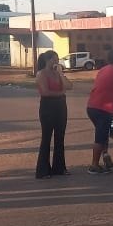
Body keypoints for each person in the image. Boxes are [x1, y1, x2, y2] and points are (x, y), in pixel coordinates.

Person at [34, 50, 73, 179]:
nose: (57, 62)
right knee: (46, 138)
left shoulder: (57, 73)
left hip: (61, 106)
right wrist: (61, 93)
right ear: (48, 60)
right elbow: (45, 92)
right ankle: (43, 170)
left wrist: (61, 74)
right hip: (48, 107)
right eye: (55, 60)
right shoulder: (41, 73)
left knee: (60, 137)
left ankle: (59, 168)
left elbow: (69, 86)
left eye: (57, 60)